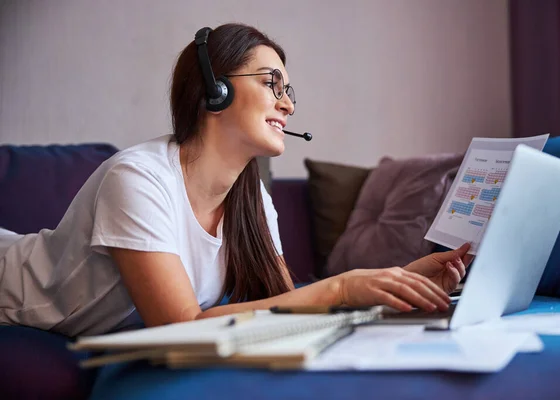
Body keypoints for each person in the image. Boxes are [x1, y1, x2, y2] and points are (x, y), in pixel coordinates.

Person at [0, 23, 472, 338]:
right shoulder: (137, 179)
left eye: (288, 91)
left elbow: (289, 306)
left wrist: (397, 282)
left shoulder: (252, 200)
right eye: (272, 83)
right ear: (215, 90)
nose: (288, 105)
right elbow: (180, 324)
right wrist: (343, 287)